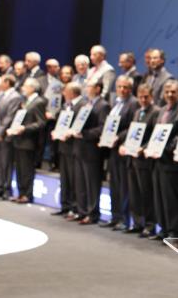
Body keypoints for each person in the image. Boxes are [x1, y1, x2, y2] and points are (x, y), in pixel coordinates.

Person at [148, 79, 178, 239]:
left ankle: (174, 232)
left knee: (171, 198)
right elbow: (156, 133)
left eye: (173, 92)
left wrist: (164, 150)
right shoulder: (162, 110)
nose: (170, 95)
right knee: (159, 197)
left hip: (171, 161)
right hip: (157, 161)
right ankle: (163, 229)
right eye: (167, 92)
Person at [68, 80, 110, 225]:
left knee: (91, 184)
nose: (86, 89)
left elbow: (102, 128)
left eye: (89, 87)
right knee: (80, 183)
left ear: (98, 89)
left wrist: (84, 134)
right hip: (79, 148)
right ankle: (82, 211)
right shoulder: (87, 104)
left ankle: (92, 213)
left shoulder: (103, 105)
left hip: (92, 150)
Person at [124, 83, 161, 237]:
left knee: (146, 194)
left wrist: (144, 148)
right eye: (141, 97)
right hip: (133, 158)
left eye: (146, 97)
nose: (143, 100)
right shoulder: (137, 111)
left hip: (145, 160)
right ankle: (138, 223)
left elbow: (155, 135)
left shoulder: (156, 112)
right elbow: (133, 133)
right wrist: (126, 145)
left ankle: (150, 225)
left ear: (151, 96)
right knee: (135, 193)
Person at [104, 75, 140, 231]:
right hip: (111, 148)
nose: (122, 90)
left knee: (124, 186)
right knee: (114, 184)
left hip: (123, 148)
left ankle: (124, 219)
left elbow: (133, 126)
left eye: (125, 87)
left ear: (130, 89)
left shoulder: (133, 103)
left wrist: (118, 138)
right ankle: (115, 216)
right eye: (119, 87)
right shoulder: (115, 103)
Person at [9, 77, 46, 204]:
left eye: (25, 86)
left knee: (27, 169)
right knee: (19, 168)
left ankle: (27, 194)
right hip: (19, 139)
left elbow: (41, 123)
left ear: (32, 87)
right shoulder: (25, 101)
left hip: (29, 140)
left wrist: (25, 128)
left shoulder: (38, 102)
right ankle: (20, 192)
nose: (23, 88)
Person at [51, 82, 82, 218]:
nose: (63, 93)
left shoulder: (81, 106)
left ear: (72, 92)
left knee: (73, 178)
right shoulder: (65, 106)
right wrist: (56, 131)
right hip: (63, 146)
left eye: (65, 91)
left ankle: (74, 207)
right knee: (64, 178)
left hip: (73, 146)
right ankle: (65, 205)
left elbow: (79, 125)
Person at [0, 74, 22, 200]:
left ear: (8, 82)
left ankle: (6, 189)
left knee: (6, 163)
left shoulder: (15, 97)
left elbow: (9, 116)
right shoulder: (1, 95)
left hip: (5, 134)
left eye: (2, 82)